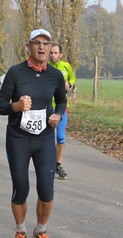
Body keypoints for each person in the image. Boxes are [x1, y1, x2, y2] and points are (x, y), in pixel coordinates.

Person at [0, 29, 67, 238]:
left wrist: (58, 115)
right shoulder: (15, 73)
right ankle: (20, 231)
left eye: (46, 43)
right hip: (18, 138)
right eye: (37, 43)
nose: (42, 47)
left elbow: (62, 101)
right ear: (29, 46)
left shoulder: (55, 75)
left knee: (46, 189)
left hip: (45, 138)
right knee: (21, 189)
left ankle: (41, 231)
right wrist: (15, 106)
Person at [49, 44, 76, 180]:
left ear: (61, 54)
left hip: (61, 107)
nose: (53, 55)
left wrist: (69, 85)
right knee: (46, 138)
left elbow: (72, 78)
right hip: (47, 106)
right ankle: (46, 164)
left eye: (55, 53)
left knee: (60, 137)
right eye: (51, 53)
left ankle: (58, 165)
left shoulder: (66, 66)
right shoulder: (45, 66)